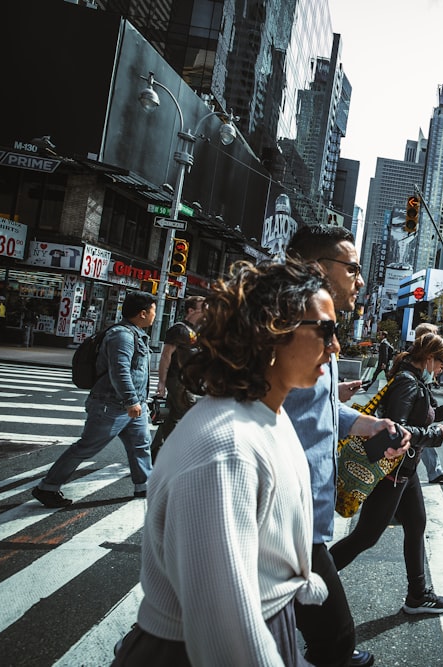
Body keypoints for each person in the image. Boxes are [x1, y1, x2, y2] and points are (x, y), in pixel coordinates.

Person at [112, 259, 331, 666]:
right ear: (272, 330)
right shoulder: (225, 449)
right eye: (326, 330)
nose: (335, 347)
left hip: (266, 628)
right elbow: (224, 632)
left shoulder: (267, 415)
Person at [283, 224, 408, 667]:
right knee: (334, 646)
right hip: (285, 518)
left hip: (306, 515)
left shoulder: (316, 330)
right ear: (318, 268)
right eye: (352, 268)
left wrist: (369, 424)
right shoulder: (292, 332)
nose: (360, 280)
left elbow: (317, 411)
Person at [330, 333, 443, 615]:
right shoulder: (408, 383)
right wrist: (433, 435)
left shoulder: (414, 380)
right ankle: (314, 578)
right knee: (366, 536)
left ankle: (418, 594)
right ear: (430, 358)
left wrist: (441, 415)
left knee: (417, 525)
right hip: (391, 472)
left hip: (404, 472)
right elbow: (396, 431)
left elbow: (414, 417)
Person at [32, 291, 156, 507]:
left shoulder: (134, 334)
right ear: (143, 313)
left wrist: (137, 402)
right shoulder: (122, 336)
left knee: (140, 446)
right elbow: (120, 371)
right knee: (86, 447)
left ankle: (144, 487)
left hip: (133, 406)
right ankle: (47, 487)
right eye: (154, 311)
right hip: (112, 405)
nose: (155, 315)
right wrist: (131, 401)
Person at [150, 295, 205, 461]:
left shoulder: (196, 331)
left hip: (188, 381)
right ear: (191, 310)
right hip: (177, 380)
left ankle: (155, 454)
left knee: (172, 416)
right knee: (191, 414)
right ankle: (176, 455)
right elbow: (166, 355)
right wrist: (161, 381)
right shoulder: (179, 329)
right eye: (203, 308)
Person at [412, 323, 443, 484]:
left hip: (404, 458)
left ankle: (435, 472)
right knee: (423, 436)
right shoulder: (414, 368)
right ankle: (435, 472)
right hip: (401, 454)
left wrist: (440, 411)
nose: (441, 367)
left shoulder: (420, 365)